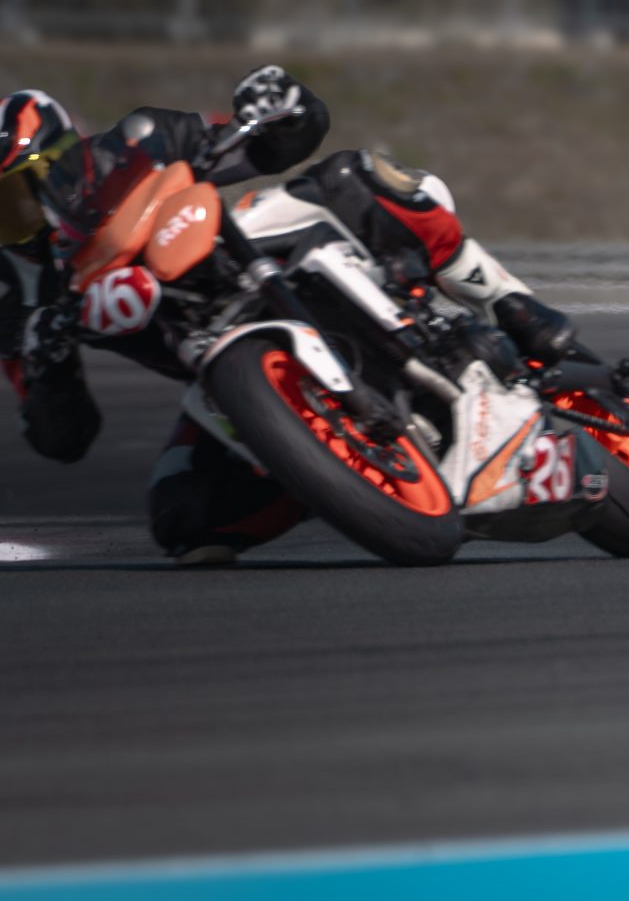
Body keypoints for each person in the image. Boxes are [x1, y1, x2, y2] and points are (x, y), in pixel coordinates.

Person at [3, 68, 587, 562]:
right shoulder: (18, 304)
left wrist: (281, 107)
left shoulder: (141, 142)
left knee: (352, 176)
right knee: (185, 520)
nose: (25, 220)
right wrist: (47, 366)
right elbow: (64, 439)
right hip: (217, 367)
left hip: (265, 257)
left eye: (19, 195)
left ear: (60, 153)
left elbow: (267, 140)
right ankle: (327, 473)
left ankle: (507, 302)